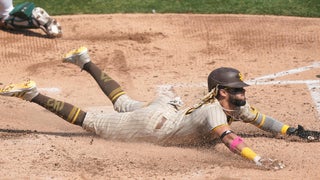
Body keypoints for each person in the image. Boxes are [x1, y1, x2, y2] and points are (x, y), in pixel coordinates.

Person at [0, 47, 318, 170]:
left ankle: (85, 61)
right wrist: (258, 159)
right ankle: (32, 93)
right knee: (89, 121)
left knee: (122, 101)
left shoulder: (233, 105)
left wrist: (293, 131)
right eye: (237, 90)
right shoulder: (214, 112)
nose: (242, 94)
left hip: (167, 110)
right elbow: (231, 141)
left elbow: (263, 121)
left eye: (241, 89)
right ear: (222, 92)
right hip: (153, 125)